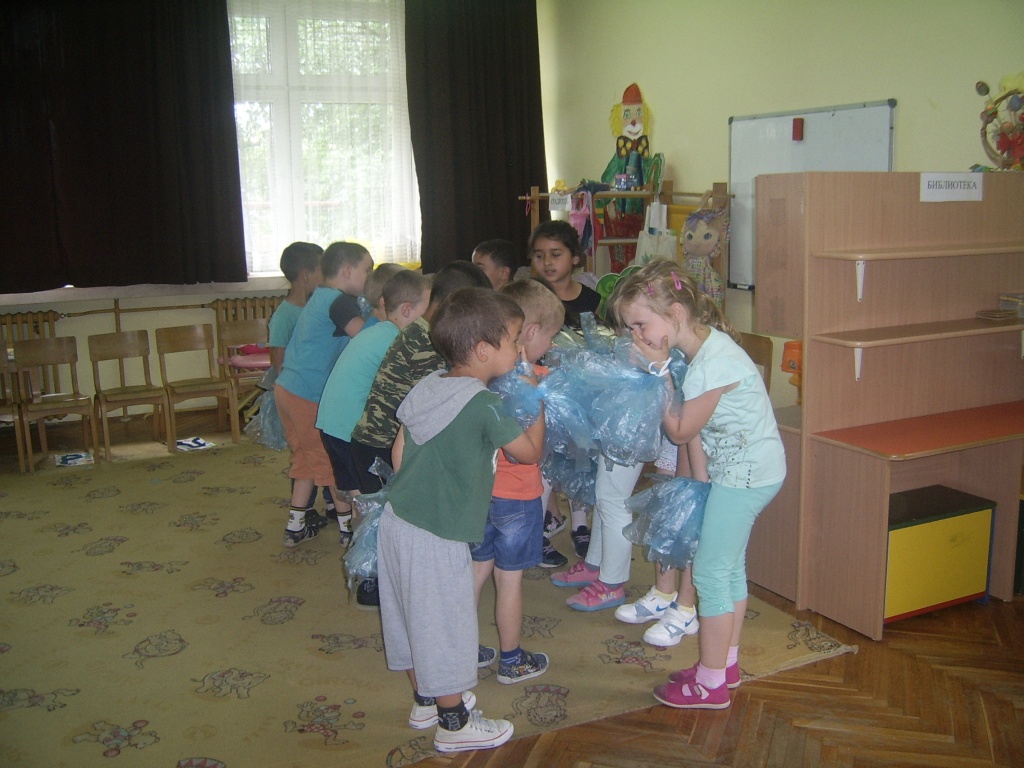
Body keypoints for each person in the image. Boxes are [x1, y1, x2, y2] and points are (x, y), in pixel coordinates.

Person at [605, 259, 785, 710]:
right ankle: (724, 666)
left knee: (709, 574)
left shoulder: (710, 363)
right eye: (631, 328)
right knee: (728, 569)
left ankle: (710, 684)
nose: (636, 336)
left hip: (745, 478)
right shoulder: (704, 351)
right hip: (746, 472)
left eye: (640, 325)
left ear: (676, 314)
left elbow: (681, 429)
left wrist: (660, 372)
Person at [377, 287, 545, 753]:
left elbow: (399, 454)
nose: (519, 349)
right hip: (438, 533)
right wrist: (535, 401)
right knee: (444, 627)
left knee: (411, 618)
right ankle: (454, 725)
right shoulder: (484, 404)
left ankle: (426, 702)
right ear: (484, 350)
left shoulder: (429, 385)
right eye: (514, 340)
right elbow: (530, 453)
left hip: (397, 521)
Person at [317, 269, 431, 608]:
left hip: (332, 426)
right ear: (408, 311)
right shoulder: (398, 341)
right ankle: (374, 579)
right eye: (428, 312)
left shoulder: (374, 332)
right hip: (355, 432)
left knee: (362, 503)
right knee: (377, 507)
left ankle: (365, 567)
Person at [472, 279, 563, 684]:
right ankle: (511, 660)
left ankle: (463, 650)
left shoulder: (481, 376)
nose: (552, 344)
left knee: (474, 572)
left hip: (478, 493)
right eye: (550, 336)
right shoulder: (539, 380)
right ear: (529, 334)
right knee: (509, 582)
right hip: (519, 499)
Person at [348, 261, 491, 497]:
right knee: (388, 515)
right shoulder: (428, 343)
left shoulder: (424, 330)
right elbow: (435, 408)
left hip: (380, 443)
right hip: (381, 447)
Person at [276, 241, 374, 548]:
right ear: (346, 271)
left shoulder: (320, 295)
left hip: (288, 390)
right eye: (367, 270)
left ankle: (295, 528)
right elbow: (365, 338)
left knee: (305, 460)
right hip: (307, 395)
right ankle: (348, 532)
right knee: (330, 464)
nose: (370, 277)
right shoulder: (339, 302)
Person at [263, 242, 335, 525]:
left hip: (317, 393)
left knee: (317, 450)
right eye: (322, 270)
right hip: (299, 394)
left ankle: (331, 504)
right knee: (307, 452)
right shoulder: (285, 315)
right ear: (306, 274)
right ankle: (307, 511)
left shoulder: (318, 307)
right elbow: (278, 362)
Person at [614, 438, 705, 648]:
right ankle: (664, 594)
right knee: (664, 500)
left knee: (693, 511)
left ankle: (686, 608)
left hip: (702, 436)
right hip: (678, 433)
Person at [530, 220, 601, 332]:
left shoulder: (591, 299)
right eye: (539, 256)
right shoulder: (527, 296)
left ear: (575, 258)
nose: (547, 262)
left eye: (556, 255)